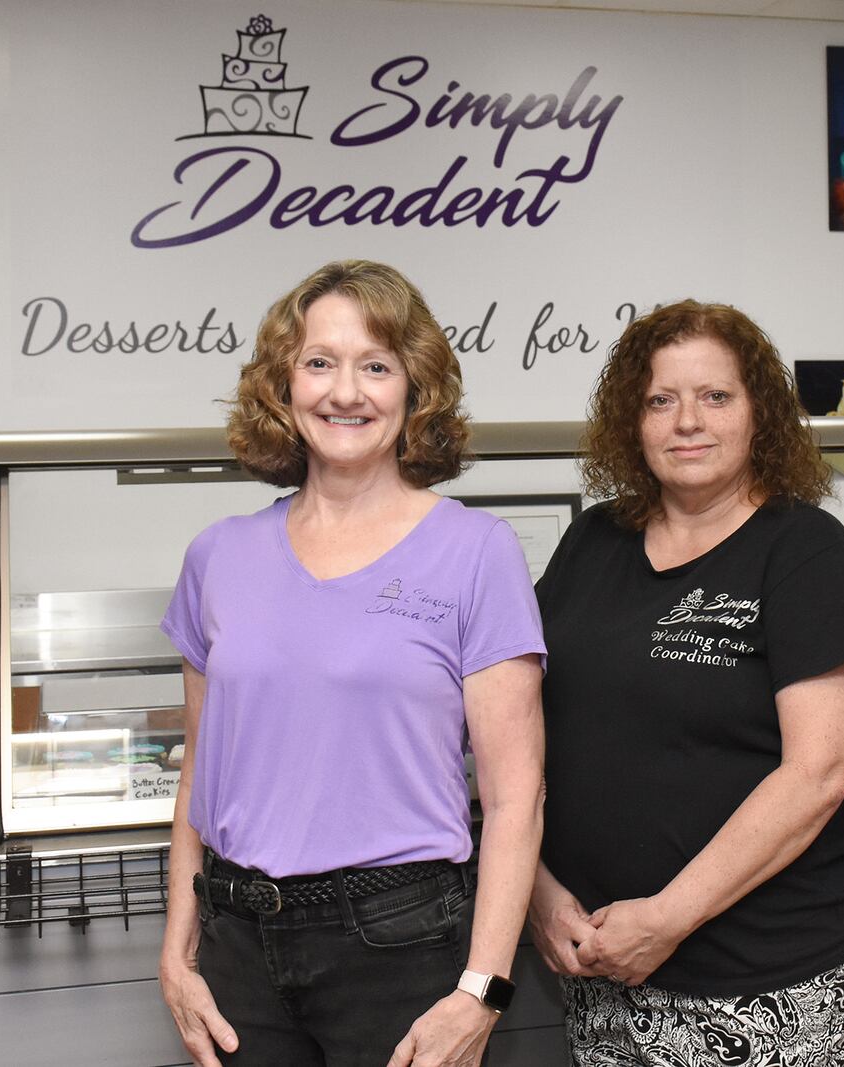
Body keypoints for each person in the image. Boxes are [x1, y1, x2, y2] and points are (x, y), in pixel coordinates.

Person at [157, 260, 546, 1067]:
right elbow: (200, 767)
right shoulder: (216, 556)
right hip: (236, 939)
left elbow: (515, 798)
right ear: (282, 385)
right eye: (319, 362)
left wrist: (482, 989)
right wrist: (176, 947)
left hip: (401, 943)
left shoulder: (477, 553)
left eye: (376, 365)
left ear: (415, 388)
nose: (346, 392)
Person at [529, 300, 844, 1066]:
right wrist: (536, 889)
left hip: (766, 984)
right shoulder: (592, 541)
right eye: (660, 399)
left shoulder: (805, 552)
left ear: (759, 413)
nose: (686, 420)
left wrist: (667, 918)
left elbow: (822, 771)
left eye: (715, 396)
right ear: (632, 422)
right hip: (603, 968)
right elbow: (522, 735)